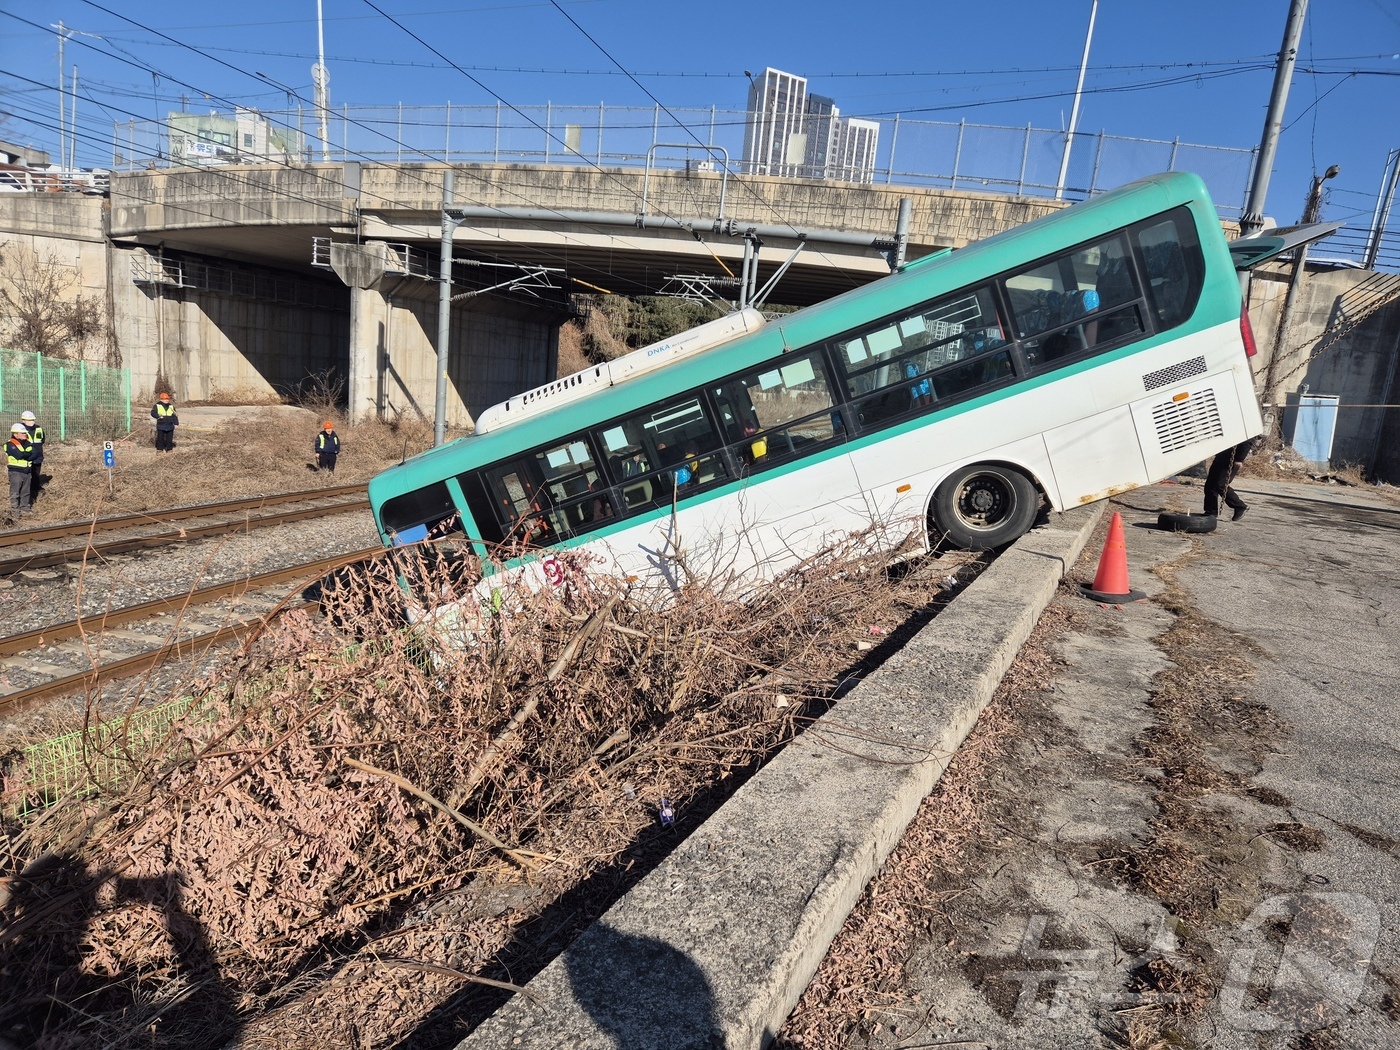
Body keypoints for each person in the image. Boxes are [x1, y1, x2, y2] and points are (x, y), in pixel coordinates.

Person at [1204, 439, 1255, 521]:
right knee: (1210, 485)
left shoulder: (1243, 428)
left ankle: (1240, 506)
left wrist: (1239, 459)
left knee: (1220, 484)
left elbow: (1247, 442)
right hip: (1221, 456)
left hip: (1231, 458)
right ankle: (1211, 512)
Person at [7, 422, 34, 519]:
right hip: (16, 472)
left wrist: (26, 454)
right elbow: (19, 455)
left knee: (26, 491)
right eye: (22, 433)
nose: (25, 435)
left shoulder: (27, 443)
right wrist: (27, 454)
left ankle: (25, 508)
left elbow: (34, 454)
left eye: (25, 433)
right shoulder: (10, 444)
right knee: (15, 492)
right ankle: (15, 511)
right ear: (15, 434)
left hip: (27, 470)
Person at [20, 410, 44, 499]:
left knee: (36, 474)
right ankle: (26, 493)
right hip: (26, 457)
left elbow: (42, 440)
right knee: (26, 476)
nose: (32, 422)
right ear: (23, 420)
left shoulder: (39, 429)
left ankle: (35, 490)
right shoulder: (20, 430)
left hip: (37, 456)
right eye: (29, 420)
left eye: (33, 420)